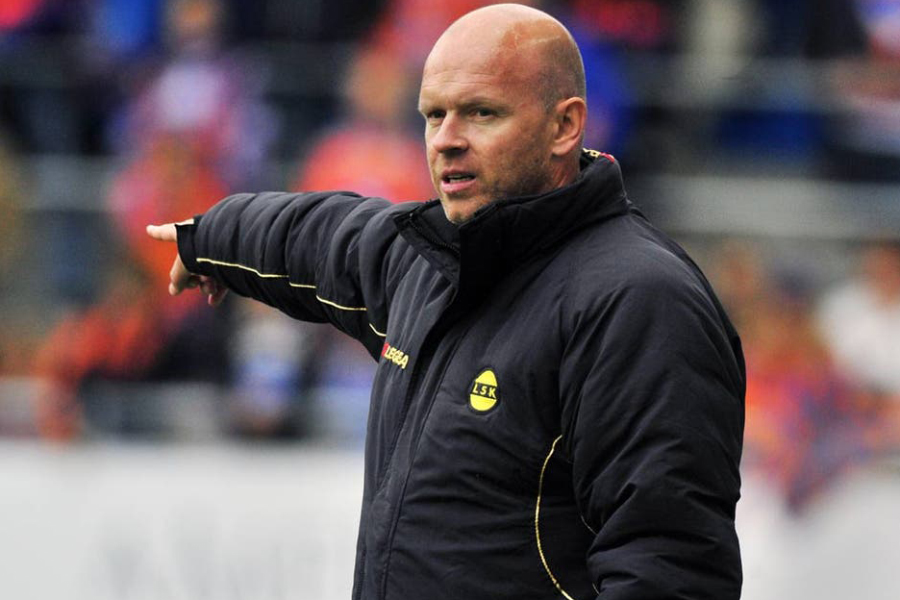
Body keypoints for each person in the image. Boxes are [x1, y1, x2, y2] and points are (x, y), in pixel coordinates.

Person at [147, 4, 745, 598]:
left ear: (565, 127)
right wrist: (209, 239)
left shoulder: (641, 302)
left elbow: (669, 568)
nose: (446, 141)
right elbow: (324, 239)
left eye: (481, 113)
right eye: (434, 115)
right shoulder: (433, 262)